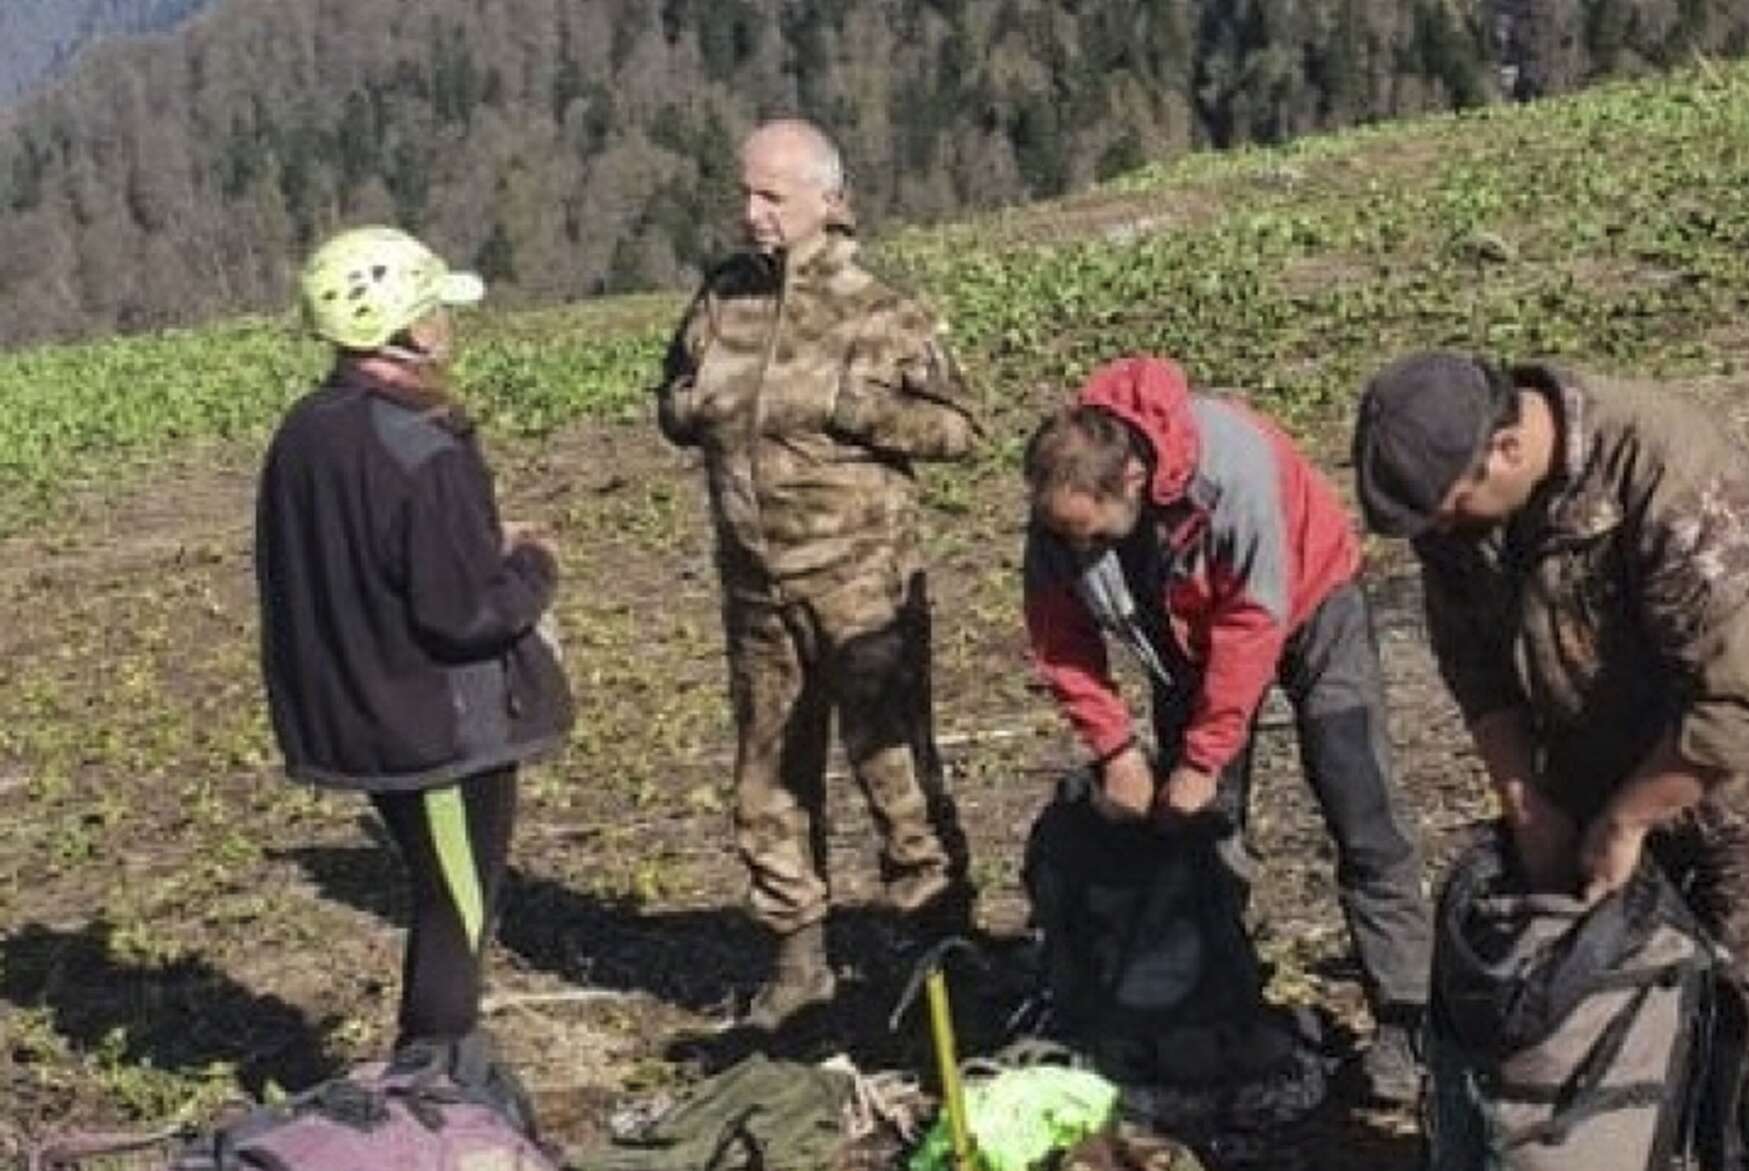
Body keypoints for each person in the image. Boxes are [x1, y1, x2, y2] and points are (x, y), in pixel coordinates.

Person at [1352, 352, 1749, 1170]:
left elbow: (1748, 694)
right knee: (1607, 993)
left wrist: (1631, 817)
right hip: (1597, 756)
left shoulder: (1670, 470)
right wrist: (1531, 805)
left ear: (1506, 448)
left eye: (1451, 509)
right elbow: (1477, 671)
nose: (1442, 533)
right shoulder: (1455, 514)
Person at [1020, 354, 1434, 1105]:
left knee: (1360, 804)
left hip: (1307, 599)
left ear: (1134, 486)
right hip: (1179, 628)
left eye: (1088, 535)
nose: (1074, 549)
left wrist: (1205, 756)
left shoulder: (1231, 471)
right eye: (1064, 536)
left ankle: (1409, 1019)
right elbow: (1058, 635)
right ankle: (1221, 1003)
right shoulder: (1064, 501)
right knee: (1198, 830)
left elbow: (1253, 622)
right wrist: (1114, 747)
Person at [654, 118, 979, 1030]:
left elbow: (959, 429)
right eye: (745, 193)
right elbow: (671, 397)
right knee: (767, 776)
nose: (751, 213)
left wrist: (854, 409)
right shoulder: (723, 298)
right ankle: (798, 960)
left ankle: (936, 950)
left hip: (860, 582)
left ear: (829, 201)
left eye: (771, 196)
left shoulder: (882, 309)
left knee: (894, 770)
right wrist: (691, 406)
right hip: (754, 588)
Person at [256, 226, 573, 1051]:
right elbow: (460, 615)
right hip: (433, 731)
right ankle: (432, 1081)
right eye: (433, 308)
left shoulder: (307, 430)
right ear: (404, 330)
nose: (446, 324)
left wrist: (478, 543)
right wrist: (534, 565)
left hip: (362, 708)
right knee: (457, 908)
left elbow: (368, 556)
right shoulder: (422, 448)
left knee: (446, 895)